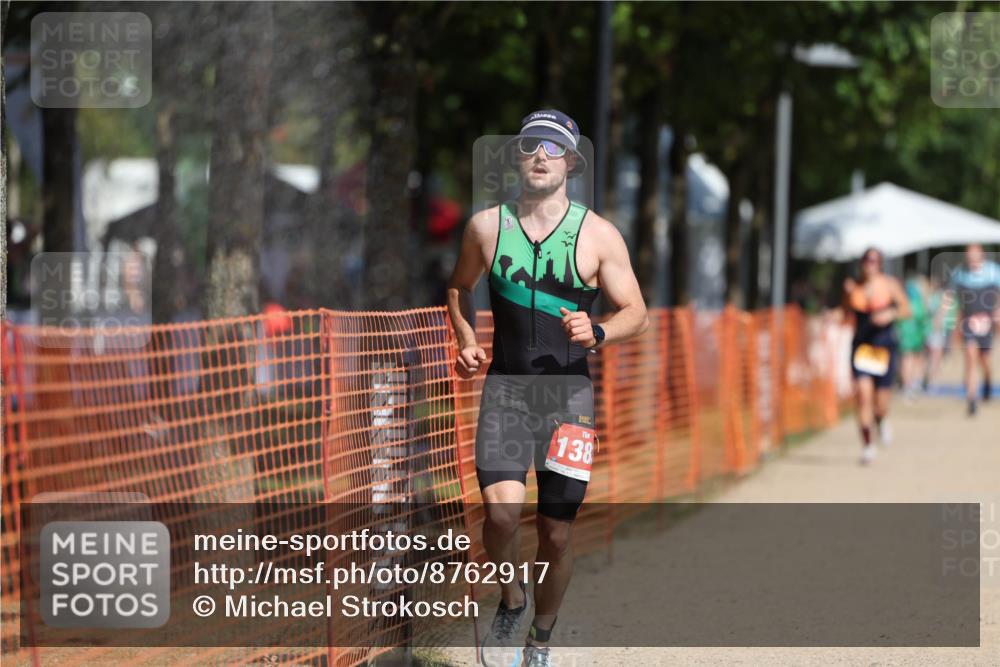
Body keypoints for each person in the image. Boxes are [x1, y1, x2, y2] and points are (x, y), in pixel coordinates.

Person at [446, 110, 649, 667]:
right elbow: (460, 287)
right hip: (506, 394)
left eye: (554, 148)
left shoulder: (598, 235)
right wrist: (466, 338)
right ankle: (512, 600)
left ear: (572, 163)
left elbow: (637, 312)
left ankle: (540, 639)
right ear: (517, 156)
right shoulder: (486, 227)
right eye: (531, 144)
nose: (541, 154)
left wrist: (599, 331)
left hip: (569, 401)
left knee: (555, 533)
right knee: (501, 517)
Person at [842, 248, 911, 464]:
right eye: (866, 261)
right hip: (862, 348)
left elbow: (906, 309)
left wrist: (891, 313)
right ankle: (867, 445)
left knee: (880, 404)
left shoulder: (890, 285)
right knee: (863, 396)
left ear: (879, 264)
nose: (869, 265)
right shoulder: (853, 287)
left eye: (874, 261)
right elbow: (844, 312)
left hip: (883, 348)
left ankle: (881, 420)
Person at [940, 244, 1000, 416]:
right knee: (970, 357)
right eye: (969, 255)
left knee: (985, 361)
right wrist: (942, 315)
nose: (972, 258)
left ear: (982, 255)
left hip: (987, 323)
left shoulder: (993, 272)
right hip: (968, 322)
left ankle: (987, 381)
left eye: (975, 254)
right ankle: (972, 399)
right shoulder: (960, 274)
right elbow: (949, 295)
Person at [896, 274, 929, 400]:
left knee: (907, 361)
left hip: (907, 336)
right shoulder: (918, 304)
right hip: (914, 336)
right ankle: (911, 385)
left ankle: (908, 385)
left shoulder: (904, 303)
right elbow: (924, 320)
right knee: (912, 361)